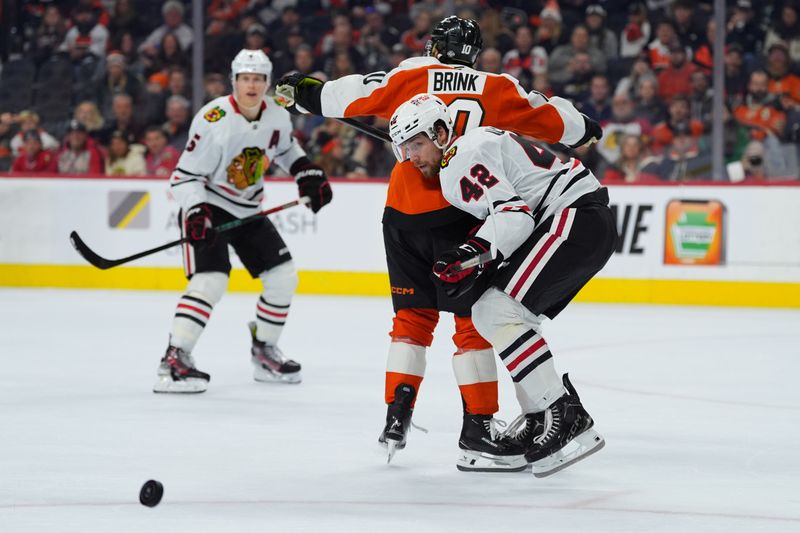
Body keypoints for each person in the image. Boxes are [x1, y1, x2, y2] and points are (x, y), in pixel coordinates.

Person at [275, 16, 600, 471]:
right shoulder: (495, 85)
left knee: (411, 316)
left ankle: (396, 415)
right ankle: (479, 432)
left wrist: (304, 91)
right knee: (476, 318)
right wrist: (582, 126)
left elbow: (351, 95)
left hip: (402, 210)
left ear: (433, 46)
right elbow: (550, 119)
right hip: (465, 206)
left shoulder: (411, 74)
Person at [389, 93, 616, 477]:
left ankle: (564, 413)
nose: (411, 156)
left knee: (495, 309)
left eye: (418, 143)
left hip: (573, 217)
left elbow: (515, 217)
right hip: (581, 218)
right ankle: (539, 415)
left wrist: (468, 253)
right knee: (507, 314)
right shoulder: (473, 144)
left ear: (442, 132)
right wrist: (475, 259)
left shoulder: (457, 160)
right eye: (404, 147)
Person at [154, 49, 332, 393]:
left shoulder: (277, 113)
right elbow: (183, 177)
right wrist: (195, 212)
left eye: (258, 79)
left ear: (267, 83)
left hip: (247, 208)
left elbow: (284, 148)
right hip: (208, 206)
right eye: (245, 78)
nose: (251, 85)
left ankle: (264, 350)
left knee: (283, 277)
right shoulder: (213, 119)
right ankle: (174, 359)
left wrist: (305, 171)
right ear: (234, 81)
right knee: (211, 280)